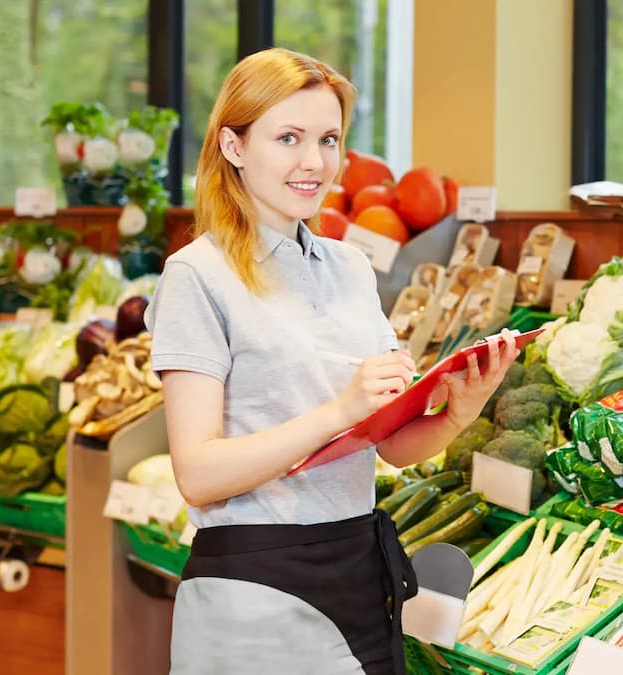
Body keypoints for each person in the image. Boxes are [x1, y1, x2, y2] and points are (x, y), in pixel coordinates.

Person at [145, 48, 518, 675]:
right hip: (253, 589)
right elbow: (198, 473)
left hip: (360, 573)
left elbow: (389, 447)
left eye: (328, 139)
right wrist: (339, 409)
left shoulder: (349, 268)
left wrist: (458, 412)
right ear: (234, 146)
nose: (314, 162)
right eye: (287, 138)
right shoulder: (196, 275)